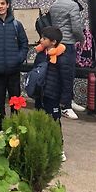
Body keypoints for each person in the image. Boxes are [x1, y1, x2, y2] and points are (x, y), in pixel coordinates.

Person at [0, 0, 29, 130]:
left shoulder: (16, 25)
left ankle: (15, 125)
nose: (0, 6)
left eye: (2, 3)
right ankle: (2, 126)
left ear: (7, 5)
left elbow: (24, 44)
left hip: (13, 70)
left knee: (15, 101)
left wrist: (18, 59)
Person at [49, 0, 85, 120]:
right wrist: (81, 39)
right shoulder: (73, 5)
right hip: (68, 44)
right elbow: (76, 27)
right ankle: (66, 107)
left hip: (56, 44)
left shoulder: (55, 3)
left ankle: (68, 100)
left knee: (60, 74)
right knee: (68, 74)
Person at [33, 26, 67, 161]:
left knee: (54, 120)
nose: (41, 40)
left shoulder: (61, 57)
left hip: (53, 94)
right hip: (40, 93)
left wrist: (65, 97)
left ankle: (59, 148)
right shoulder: (41, 55)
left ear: (53, 42)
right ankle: (42, 145)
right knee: (40, 118)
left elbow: (66, 77)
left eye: (44, 38)